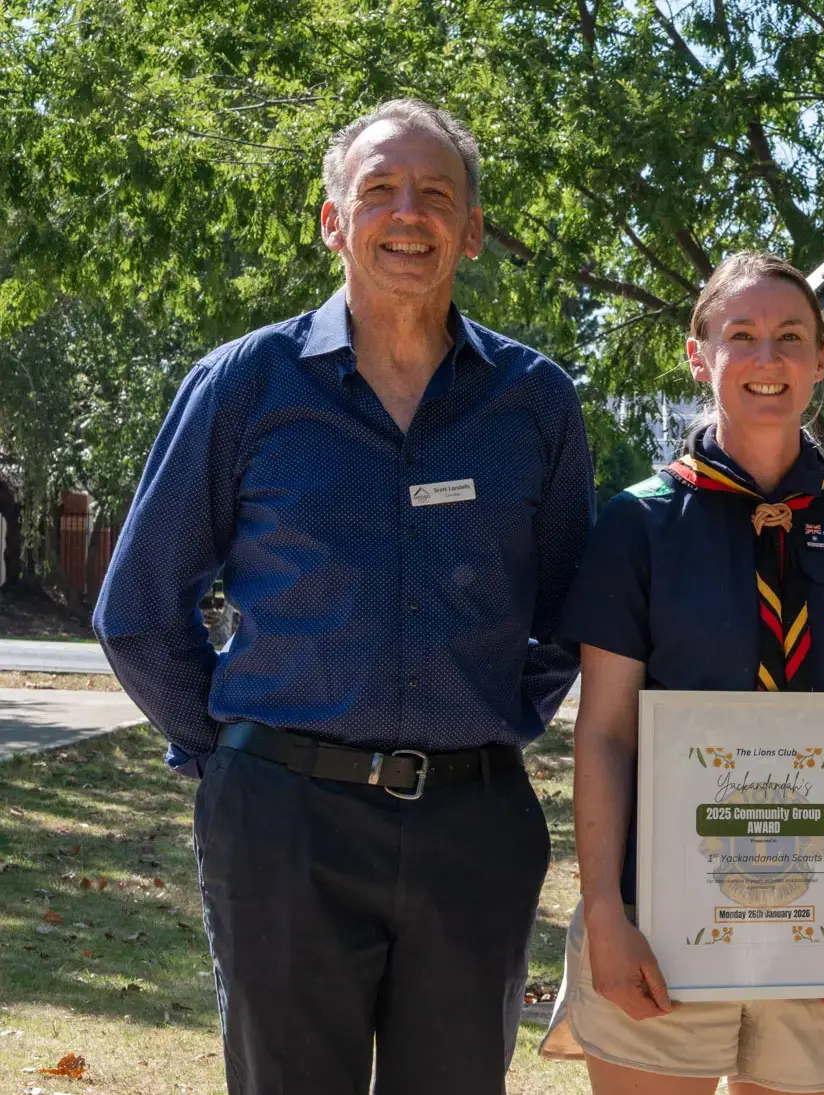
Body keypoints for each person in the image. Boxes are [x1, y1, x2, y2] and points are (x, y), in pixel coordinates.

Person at [93, 99, 593, 1094]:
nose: (408, 214)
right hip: (282, 826)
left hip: (473, 829)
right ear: (333, 221)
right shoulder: (245, 386)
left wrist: (497, 717)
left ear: (472, 230)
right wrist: (236, 752)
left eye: (436, 194)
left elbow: (572, 610)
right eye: (379, 190)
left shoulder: (534, 403)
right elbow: (139, 609)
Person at [538, 252, 824, 1095]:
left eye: (790, 337)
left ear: (821, 358)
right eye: (742, 335)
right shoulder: (640, 524)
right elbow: (605, 732)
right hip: (659, 916)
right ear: (699, 355)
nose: (767, 358)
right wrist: (604, 909)